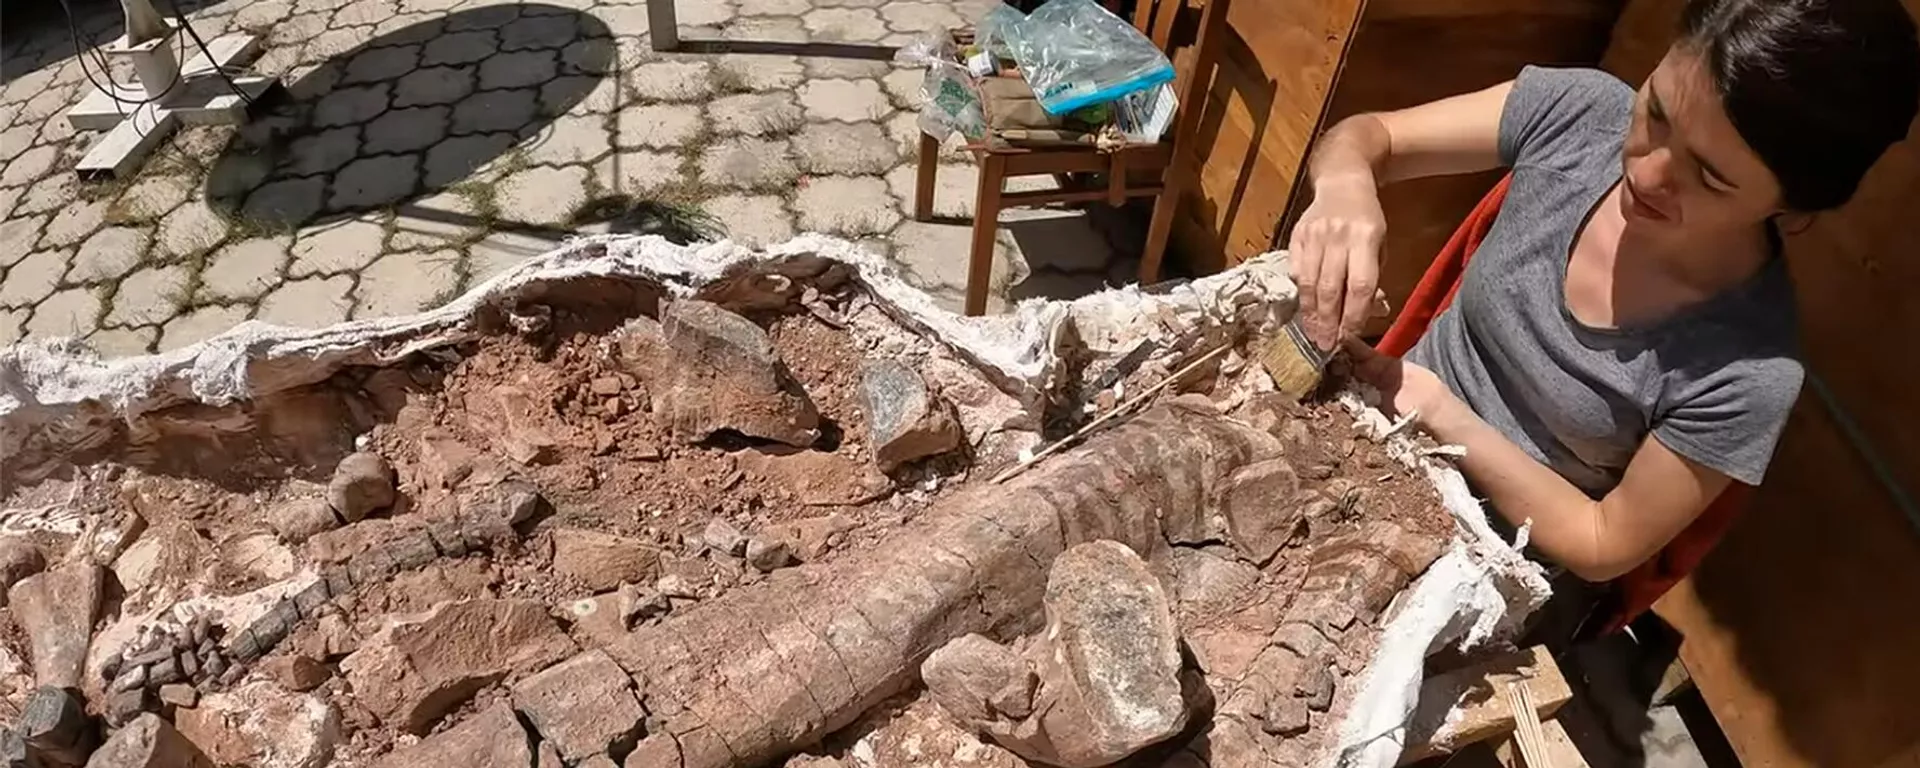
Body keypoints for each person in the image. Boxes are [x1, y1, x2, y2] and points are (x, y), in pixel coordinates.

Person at [1286, 0, 1919, 599]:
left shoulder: (1745, 370)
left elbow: (1602, 542)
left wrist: (1440, 413)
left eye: (1710, 176)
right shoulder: (1582, 116)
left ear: (1792, 208)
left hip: (1474, 567)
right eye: (1657, 113)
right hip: (1366, 437)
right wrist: (1346, 186)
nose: (1646, 171)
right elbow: (1371, 136)